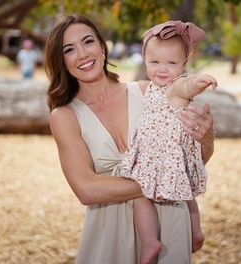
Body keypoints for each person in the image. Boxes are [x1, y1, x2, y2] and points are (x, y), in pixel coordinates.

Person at [45, 14, 215, 264]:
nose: (82, 54)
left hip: (169, 223)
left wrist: (207, 138)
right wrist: (165, 182)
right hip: (109, 232)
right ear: (62, 61)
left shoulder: (151, 92)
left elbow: (191, 159)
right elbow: (86, 190)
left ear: (102, 47)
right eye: (69, 49)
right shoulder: (65, 116)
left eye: (88, 42)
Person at [119, 21, 217, 264]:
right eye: (155, 62)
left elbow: (187, 86)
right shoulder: (152, 87)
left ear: (184, 63)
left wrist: (200, 81)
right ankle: (194, 230)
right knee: (184, 194)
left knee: (141, 195)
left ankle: (151, 241)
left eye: (172, 63)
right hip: (158, 152)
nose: (162, 70)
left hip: (164, 153)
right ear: (144, 60)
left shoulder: (175, 87)